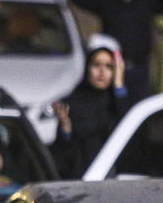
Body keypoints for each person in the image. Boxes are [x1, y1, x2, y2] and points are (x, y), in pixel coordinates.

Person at [72, 0, 162, 101]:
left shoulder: (146, 1)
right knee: (113, 110)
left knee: (139, 110)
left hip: (139, 71)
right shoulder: (106, 0)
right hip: (112, 69)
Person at [51, 46, 132, 178]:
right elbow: (63, 150)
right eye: (96, 65)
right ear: (87, 68)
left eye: (109, 67)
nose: (102, 72)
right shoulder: (73, 102)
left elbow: (127, 129)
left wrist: (118, 84)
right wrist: (66, 126)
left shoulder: (118, 101)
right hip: (80, 178)